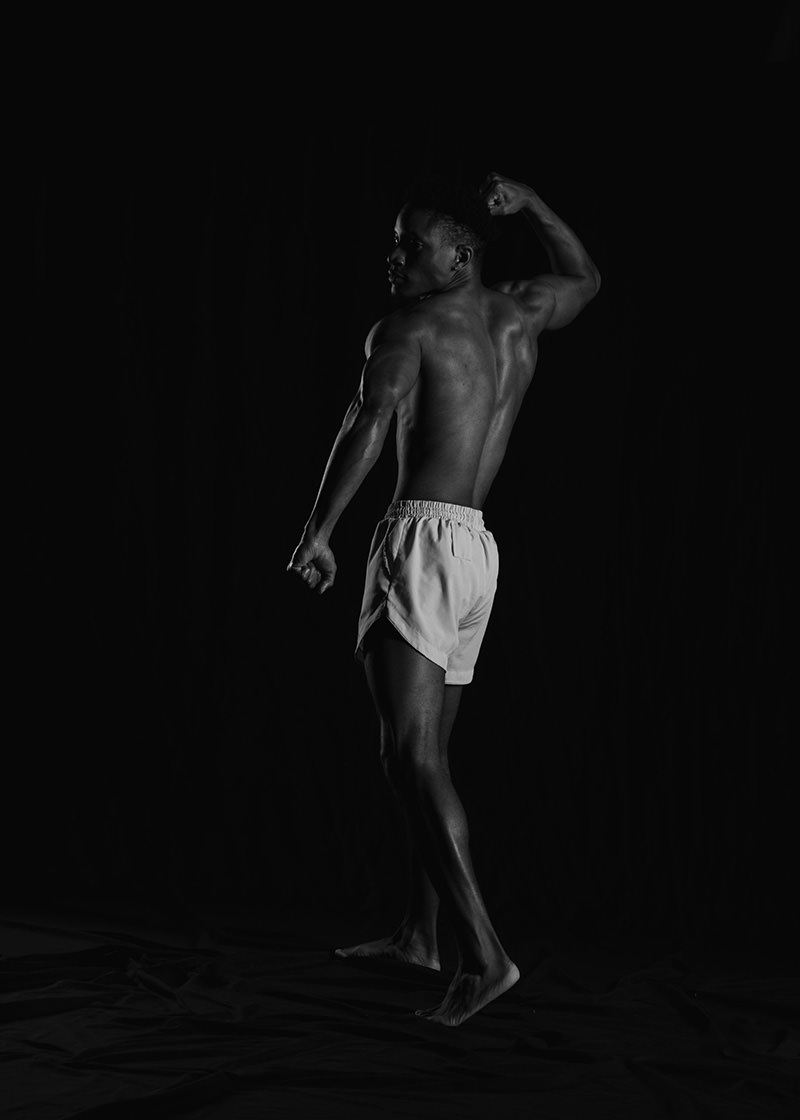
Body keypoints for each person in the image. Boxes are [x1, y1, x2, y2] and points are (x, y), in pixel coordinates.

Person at [287, 171, 601, 1026]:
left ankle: (484, 956)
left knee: (407, 758)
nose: (394, 259)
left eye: (410, 245)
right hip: (477, 552)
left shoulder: (408, 326)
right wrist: (536, 205)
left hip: (422, 540)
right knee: (431, 757)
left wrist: (319, 531)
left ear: (460, 253)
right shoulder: (519, 314)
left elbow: (368, 417)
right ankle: (421, 936)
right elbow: (587, 279)